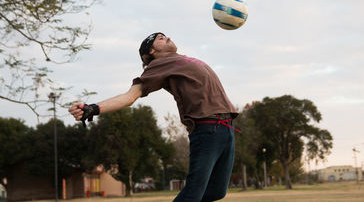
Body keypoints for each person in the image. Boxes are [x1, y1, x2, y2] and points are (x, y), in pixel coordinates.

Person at [69, 32, 239, 201]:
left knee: (217, 192)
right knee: (193, 193)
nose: (167, 37)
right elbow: (130, 96)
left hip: (226, 127)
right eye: (160, 38)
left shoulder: (180, 59)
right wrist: (93, 108)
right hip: (207, 128)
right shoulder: (159, 65)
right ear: (151, 51)